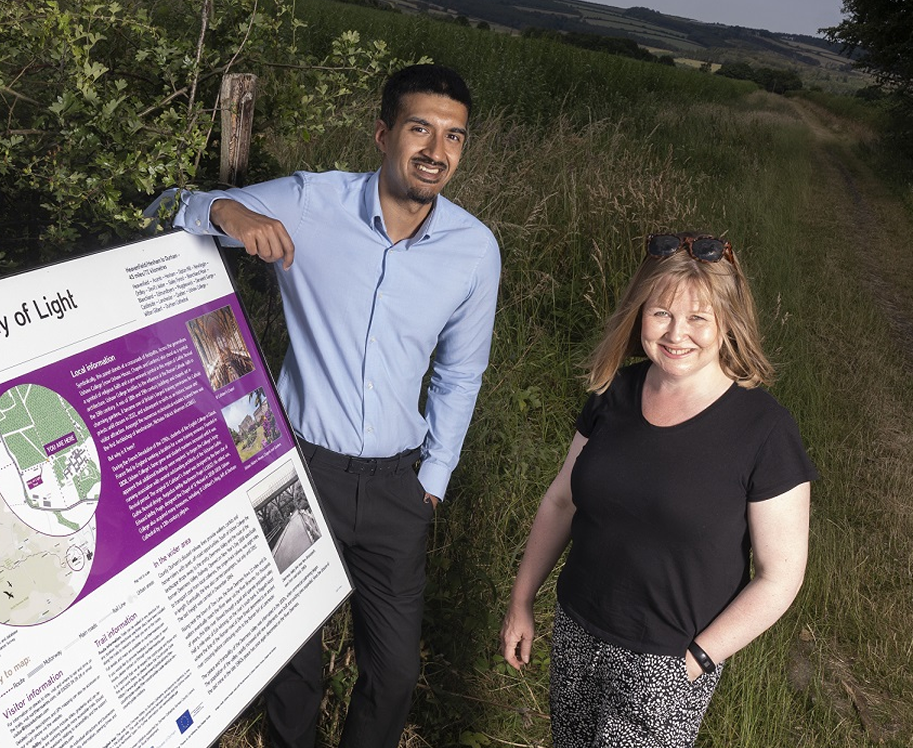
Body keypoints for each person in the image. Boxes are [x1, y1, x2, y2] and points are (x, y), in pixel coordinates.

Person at [160, 64, 500, 748]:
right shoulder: (314, 202)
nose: (436, 150)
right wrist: (232, 210)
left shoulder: (474, 251)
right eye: (419, 129)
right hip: (298, 472)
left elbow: (462, 373)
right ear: (383, 134)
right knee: (294, 664)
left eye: (454, 137)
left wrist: (433, 478)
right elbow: (174, 205)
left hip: (397, 488)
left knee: (396, 671)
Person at [499, 233, 815, 747]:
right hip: (578, 633)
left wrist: (696, 661)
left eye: (698, 318)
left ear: (727, 324)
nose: (676, 334)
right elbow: (562, 498)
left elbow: (780, 576)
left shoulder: (765, 431)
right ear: (639, 313)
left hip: (669, 664)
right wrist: (522, 599)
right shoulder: (615, 392)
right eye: (661, 313)